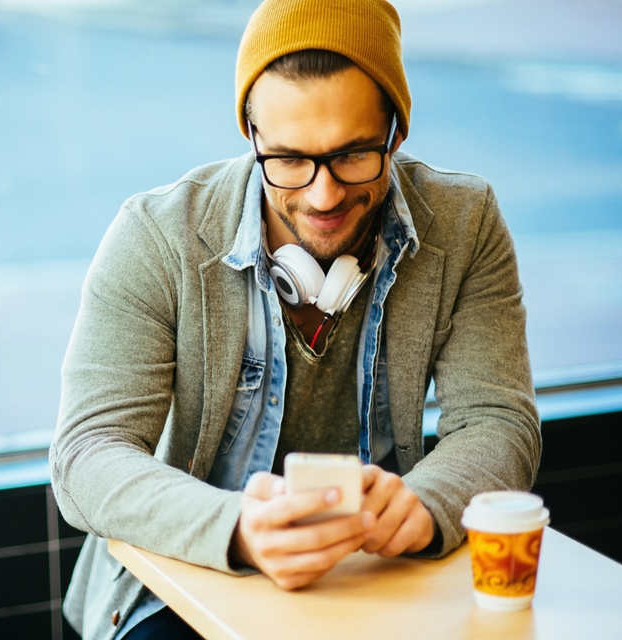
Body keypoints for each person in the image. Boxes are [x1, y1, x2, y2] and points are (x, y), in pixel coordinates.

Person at [50, 0, 541, 638]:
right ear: (250, 135)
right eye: (288, 160)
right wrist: (236, 528)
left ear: (396, 131)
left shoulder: (466, 223)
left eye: (354, 155)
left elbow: (499, 421)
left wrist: (426, 505)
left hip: (384, 576)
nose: (323, 194)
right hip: (188, 581)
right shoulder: (156, 235)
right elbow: (87, 453)